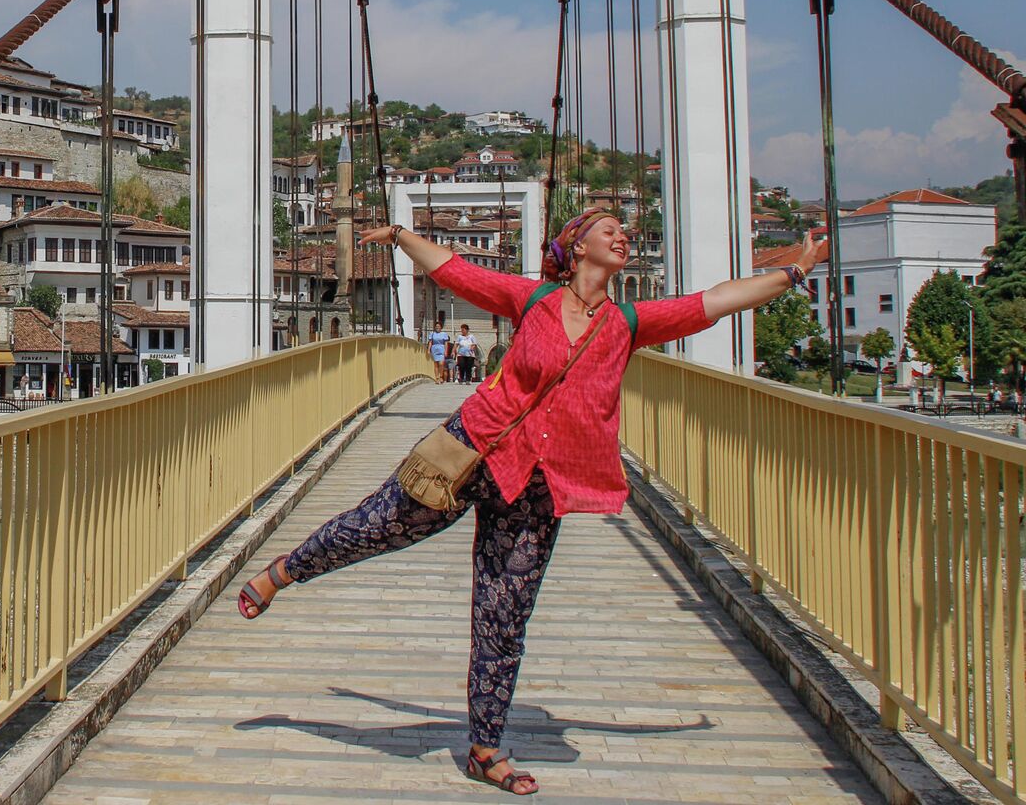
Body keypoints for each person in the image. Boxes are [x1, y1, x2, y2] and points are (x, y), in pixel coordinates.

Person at [235, 209, 824, 796]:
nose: (622, 236)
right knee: (375, 526)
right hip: (475, 450)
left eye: (624, 230)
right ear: (576, 245)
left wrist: (795, 272)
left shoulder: (629, 321)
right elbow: (456, 271)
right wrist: (398, 236)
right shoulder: (533, 299)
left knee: (503, 614)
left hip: (541, 485)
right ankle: (285, 571)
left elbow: (716, 300)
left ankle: (485, 749)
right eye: (608, 228)